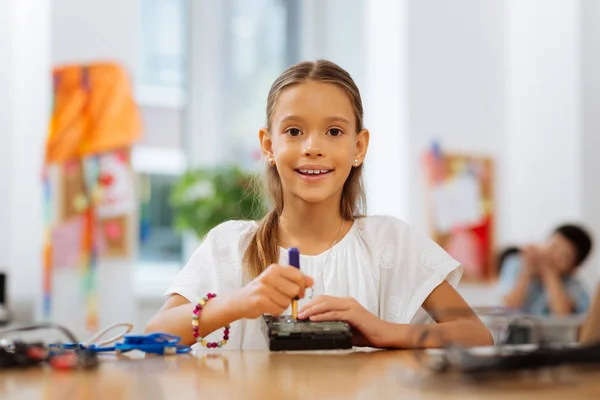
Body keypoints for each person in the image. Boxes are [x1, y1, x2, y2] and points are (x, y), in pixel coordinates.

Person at [145, 60, 493, 349]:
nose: (313, 146)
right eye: (294, 131)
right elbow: (153, 335)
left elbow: (477, 334)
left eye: (334, 132)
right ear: (268, 145)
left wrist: (384, 331)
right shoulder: (229, 246)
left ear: (359, 147)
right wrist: (239, 301)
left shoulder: (392, 242)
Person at [499, 224, 593, 316]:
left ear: (573, 269)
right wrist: (526, 272)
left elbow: (562, 314)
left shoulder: (574, 286)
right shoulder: (516, 264)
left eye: (564, 256)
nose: (554, 256)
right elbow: (508, 306)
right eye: (553, 247)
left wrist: (549, 273)